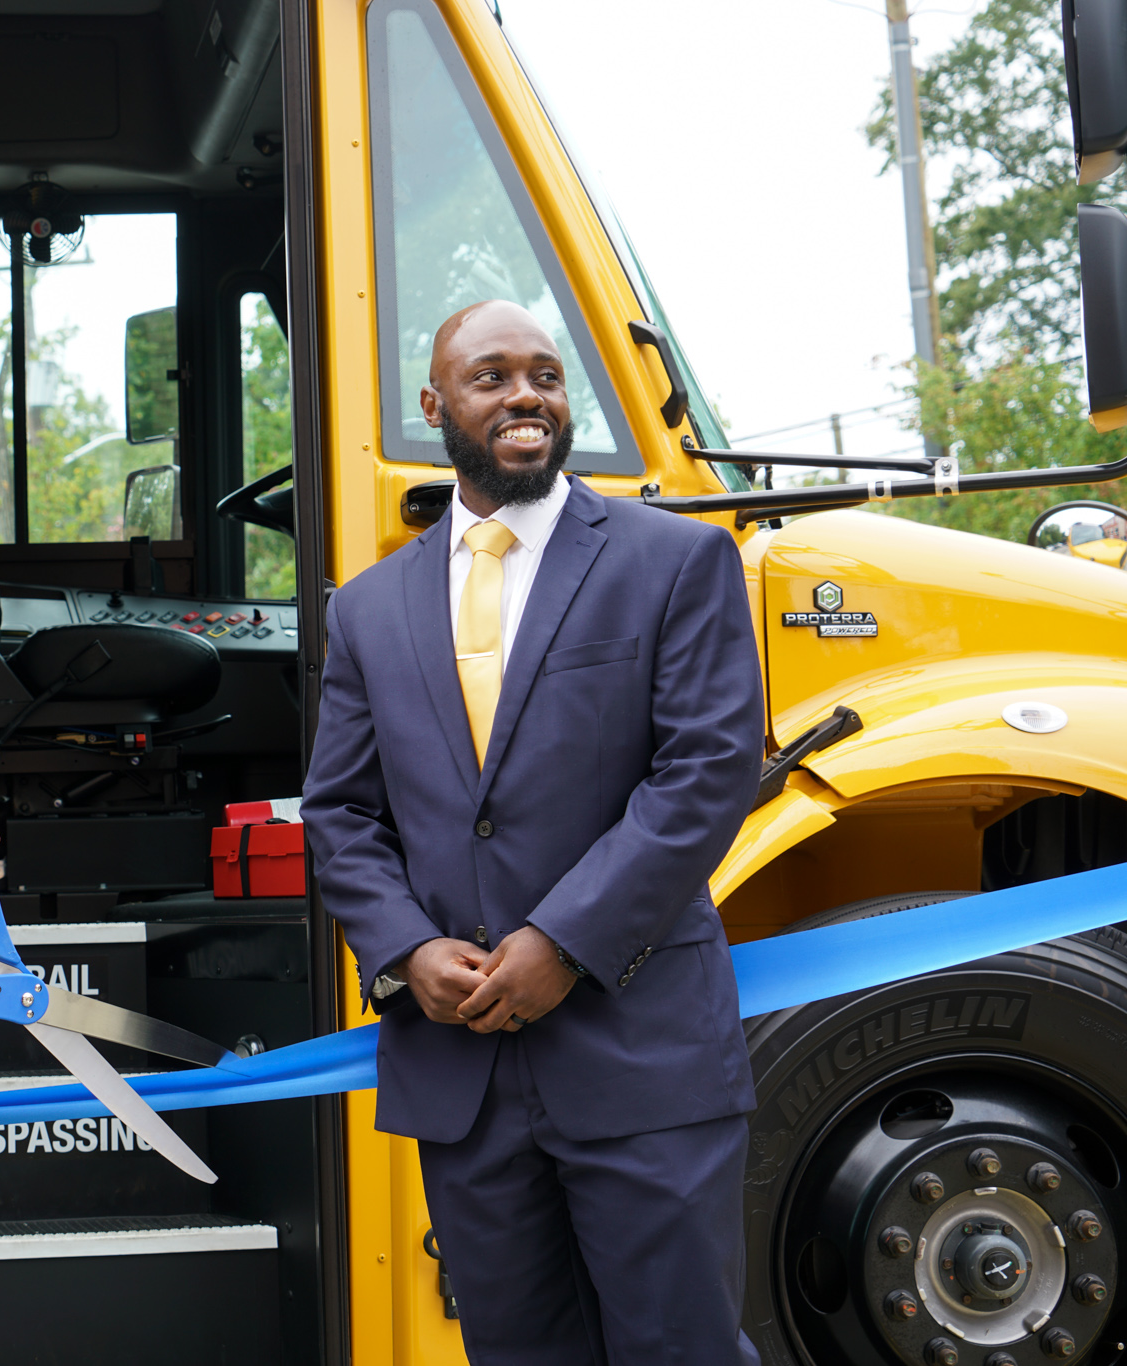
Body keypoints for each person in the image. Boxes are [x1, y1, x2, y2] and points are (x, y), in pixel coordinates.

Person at [301, 300, 765, 1365]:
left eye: (544, 377)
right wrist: (405, 950)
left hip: (640, 1055)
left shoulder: (673, 561)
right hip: (460, 1072)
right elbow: (340, 811)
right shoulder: (366, 609)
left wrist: (563, 942)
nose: (524, 396)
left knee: (679, 1350)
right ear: (434, 407)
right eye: (491, 376)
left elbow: (705, 771)